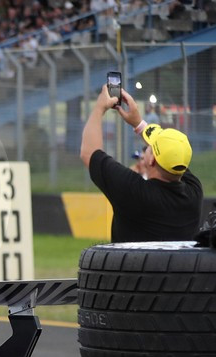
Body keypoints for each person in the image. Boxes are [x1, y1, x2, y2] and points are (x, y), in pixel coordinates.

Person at [81, 86, 203, 243]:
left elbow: (89, 153)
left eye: (150, 147)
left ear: (151, 160)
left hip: (130, 267)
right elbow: (173, 158)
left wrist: (99, 108)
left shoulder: (133, 191)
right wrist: (138, 123)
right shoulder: (194, 193)